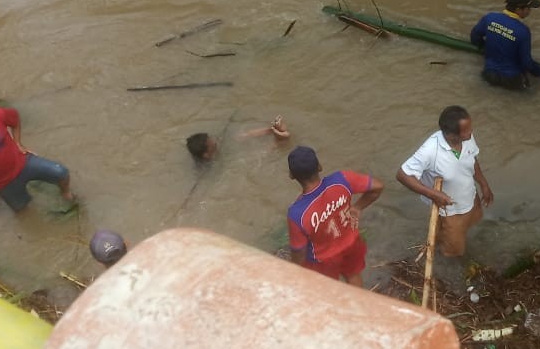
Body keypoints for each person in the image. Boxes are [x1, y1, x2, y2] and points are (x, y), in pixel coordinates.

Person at [396, 106, 494, 258]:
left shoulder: (467, 138)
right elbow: (403, 175)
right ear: (451, 135)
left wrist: (484, 185)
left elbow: (472, 159)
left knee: (469, 226)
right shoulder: (430, 150)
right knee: (453, 252)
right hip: (449, 209)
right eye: (466, 130)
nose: (471, 132)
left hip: (469, 196)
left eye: (470, 128)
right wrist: (433, 194)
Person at [285, 146, 384, 287]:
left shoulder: (296, 214)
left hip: (323, 260)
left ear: (291, 175)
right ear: (319, 166)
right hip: (352, 243)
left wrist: (293, 271)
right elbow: (378, 186)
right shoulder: (342, 180)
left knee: (328, 291)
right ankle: (360, 305)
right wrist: (358, 207)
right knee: (353, 276)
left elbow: (299, 252)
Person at [469, 0, 540, 90]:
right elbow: (527, 62)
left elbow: (474, 38)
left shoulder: (489, 18)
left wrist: (487, 49)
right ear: (518, 9)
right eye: (528, 8)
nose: (530, 11)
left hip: (489, 75)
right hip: (512, 80)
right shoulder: (523, 31)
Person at [186, 115, 290, 163]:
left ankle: (273, 130)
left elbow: (246, 135)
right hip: (221, 161)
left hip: (222, 153)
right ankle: (280, 140)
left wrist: (270, 129)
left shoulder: (215, 145)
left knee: (241, 136)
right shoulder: (212, 164)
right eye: (212, 144)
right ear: (207, 155)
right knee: (257, 156)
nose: (215, 141)